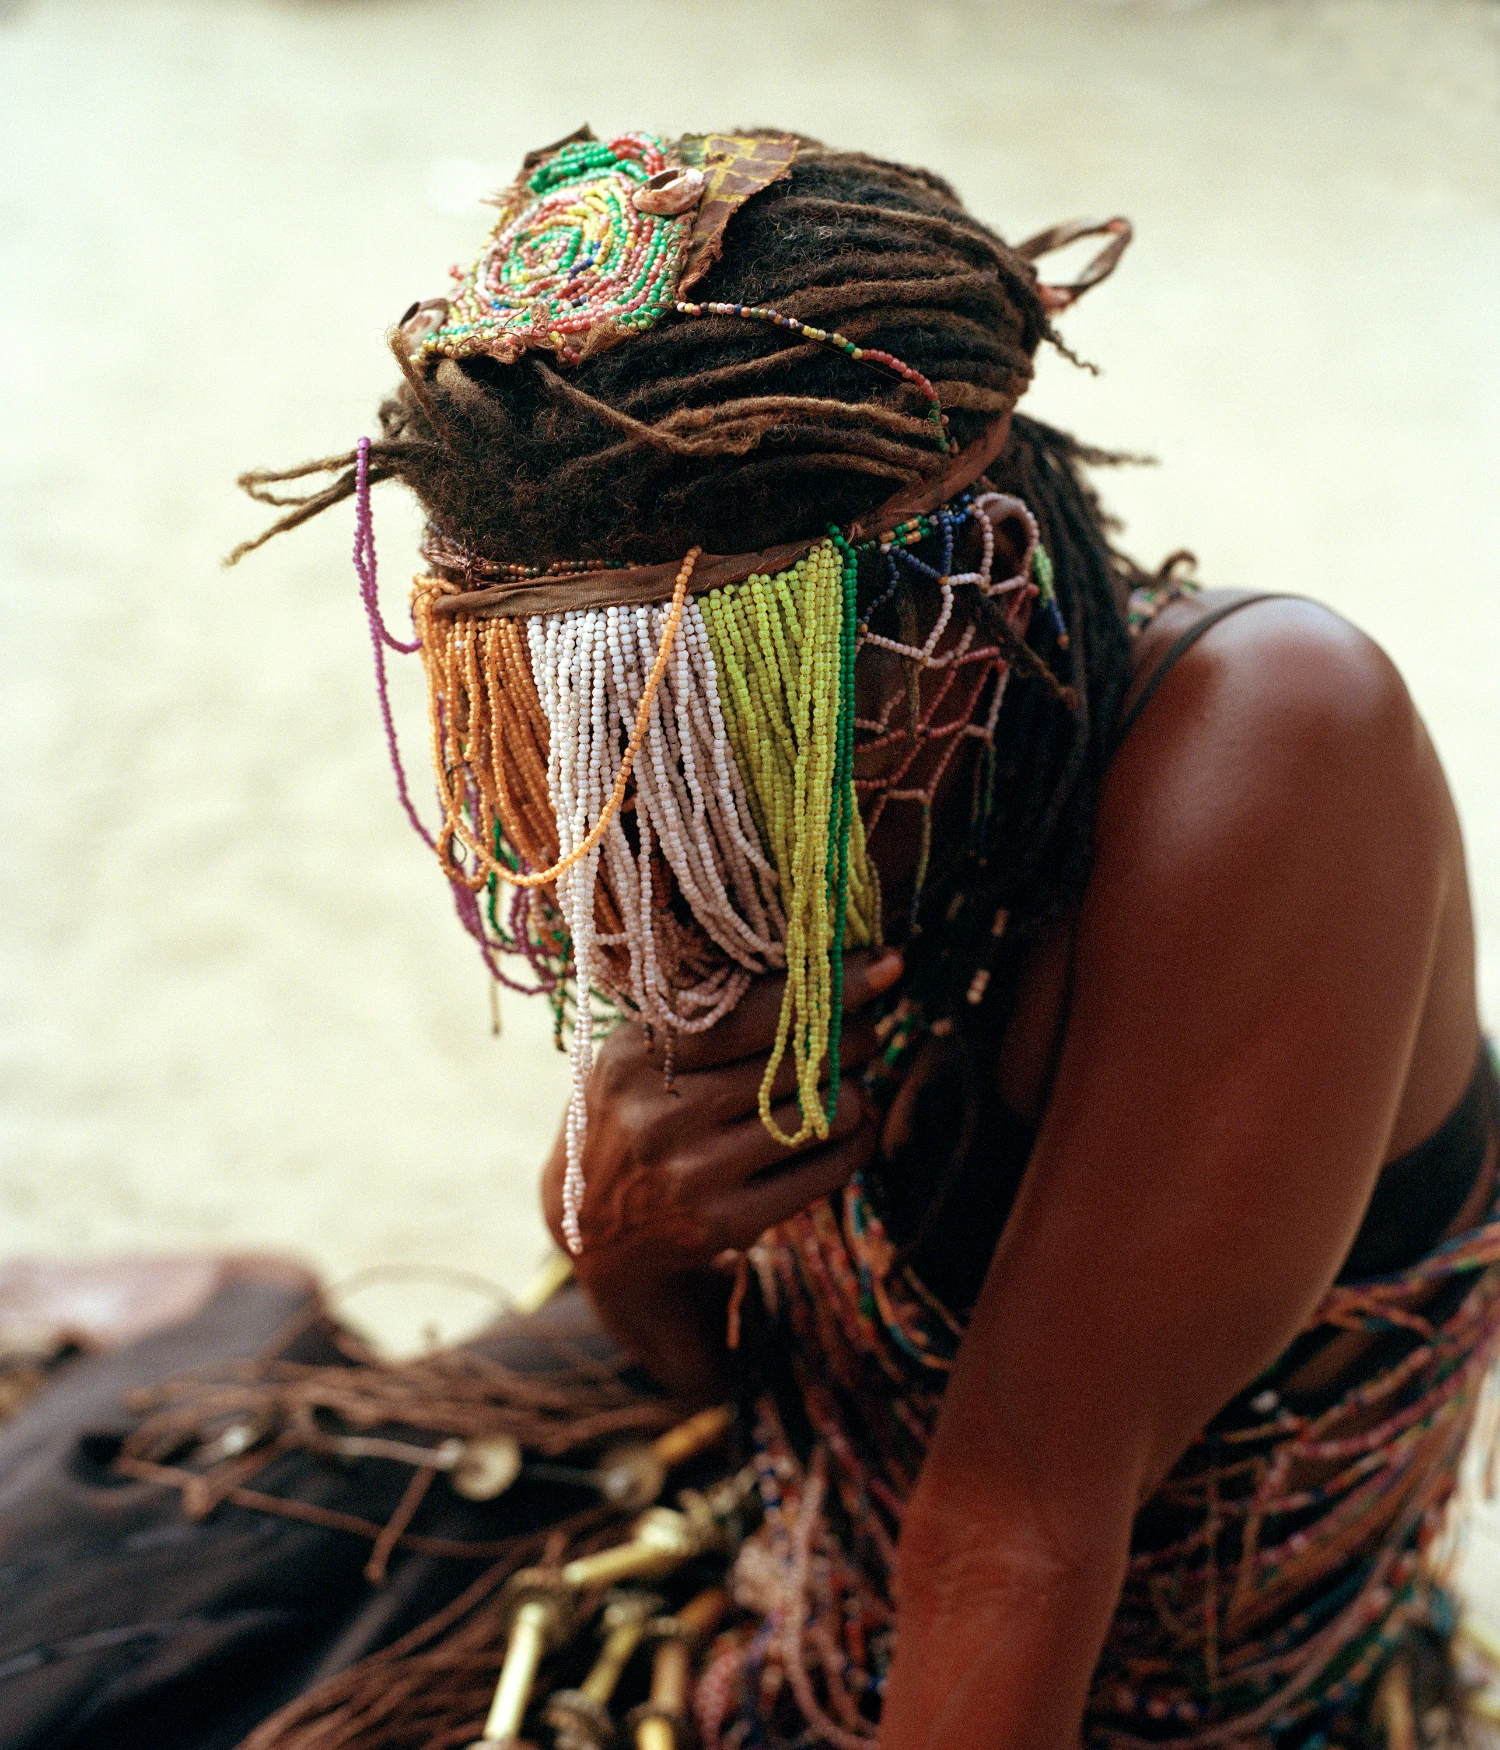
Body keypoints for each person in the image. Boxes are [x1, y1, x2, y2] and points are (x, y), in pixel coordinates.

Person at [0, 129, 1493, 1750]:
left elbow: (1018, 1527)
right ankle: (214, 1304)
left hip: (1097, 1679)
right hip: (773, 1549)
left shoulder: (1277, 742)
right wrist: (620, 1230)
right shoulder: (749, 816)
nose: (642, 804)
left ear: (959, 590)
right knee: (74, 1635)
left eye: (731, 717)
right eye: (582, 720)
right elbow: (732, 1387)